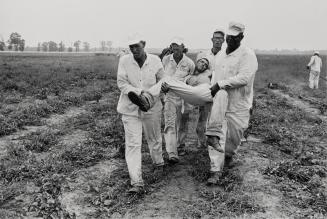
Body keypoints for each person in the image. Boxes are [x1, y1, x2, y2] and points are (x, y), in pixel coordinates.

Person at [205, 22, 258, 185]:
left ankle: (228, 155)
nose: (230, 40)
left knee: (234, 138)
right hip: (220, 103)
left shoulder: (247, 55)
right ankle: (215, 170)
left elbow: (244, 78)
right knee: (216, 133)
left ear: (241, 37)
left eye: (234, 37)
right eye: (229, 37)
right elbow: (215, 77)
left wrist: (220, 85)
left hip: (239, 104)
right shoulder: (221, 55)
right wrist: (212, 89)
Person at [116, 34, 165, 194]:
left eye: (137, 46)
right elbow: (122, 83)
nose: (134, 49)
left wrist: (160, 91)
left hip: (152, 105)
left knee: (154, 136)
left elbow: (162, 80)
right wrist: (138, 93)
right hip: (130, 107)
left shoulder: (155, 60)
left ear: (144, 44)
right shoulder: (124, 61)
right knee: (133, 144)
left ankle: (158, 163)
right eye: (131, 47)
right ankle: (136, 182)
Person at [162, 37, 195, 163]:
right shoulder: (166, 59)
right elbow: (161, 76)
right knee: (170, 123)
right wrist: (163, 88)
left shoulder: (189, 63)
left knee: (182, 124)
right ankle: (172, 152)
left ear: (183, 47)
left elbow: (192, 78)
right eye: (173, 46)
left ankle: (180, 145)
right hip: (170, 96)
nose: (175, 48)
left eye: (177, 46)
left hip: (184, 98)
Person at [186, 56, 213, 148]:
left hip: (206, 100)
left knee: (202, 125)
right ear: (197, 62)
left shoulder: (208, 73)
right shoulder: (189, 73)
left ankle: (203, 145)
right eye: (202, 62)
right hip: (190, 98)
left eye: (206, 64)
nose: (203, 65)